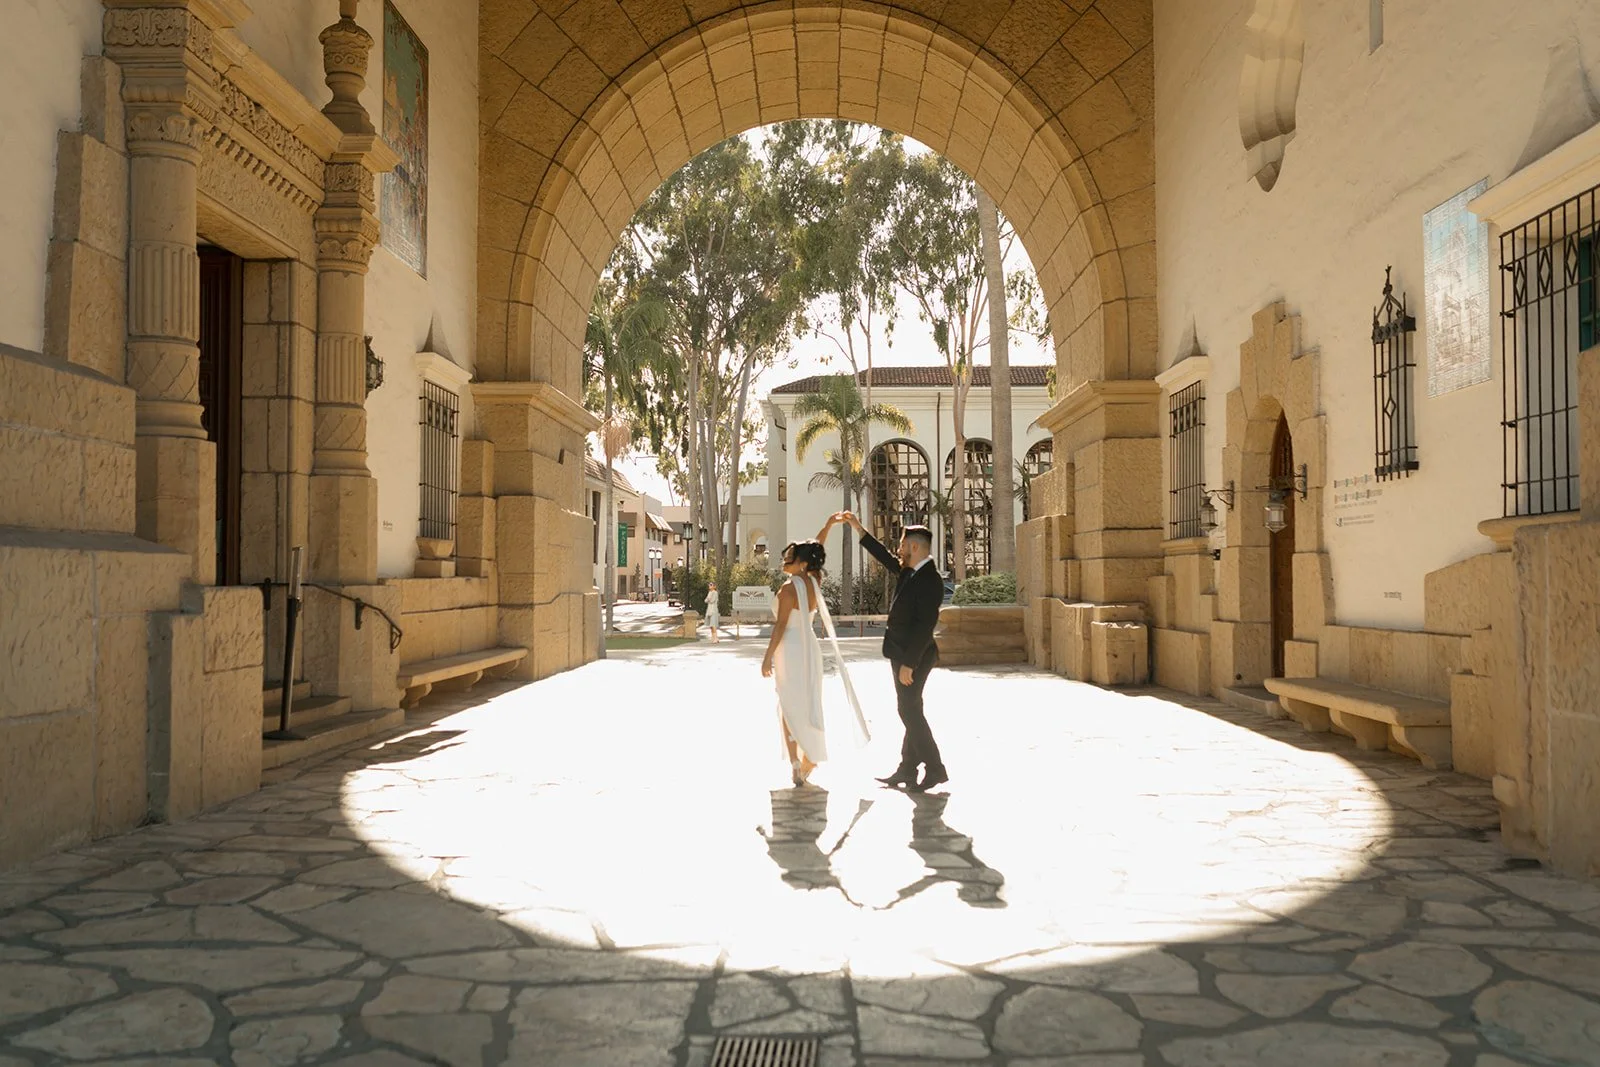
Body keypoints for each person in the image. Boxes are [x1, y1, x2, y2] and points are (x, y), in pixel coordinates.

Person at [828, 511, 947, 792]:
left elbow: (924, 625)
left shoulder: (930, 580)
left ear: (915, 548)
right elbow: (883, 556)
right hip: (901, 652)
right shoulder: (910, 571)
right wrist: (858, 527)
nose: (899, 548)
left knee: (908, 710)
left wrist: (909, 663)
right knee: (911, 709)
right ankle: (907, 769)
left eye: (903, 544)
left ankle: (935, 768)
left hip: (914, 655)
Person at [761, 535, 869, 787]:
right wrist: (829, 526)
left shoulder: (788, 589)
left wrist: (767, 657)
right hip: (809, 646)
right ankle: (807, 757)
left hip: (790, 648)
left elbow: (780, 626)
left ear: (802, 564)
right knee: (808, 701)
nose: (784, 561)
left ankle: (796, 764)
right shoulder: (814, 583)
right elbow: (815, 546)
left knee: (787, 704)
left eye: (790, 558)